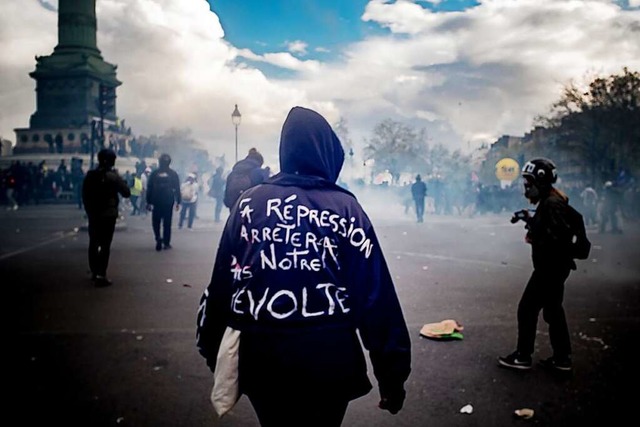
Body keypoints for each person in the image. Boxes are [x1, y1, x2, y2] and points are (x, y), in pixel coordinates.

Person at [196, 106, 411, 427]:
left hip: (261, 355)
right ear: (328, 155)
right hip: (329, 358)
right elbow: (375, 296)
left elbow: (222, 283)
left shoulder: (248, 204)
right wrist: (392, 375)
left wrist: (213, 347)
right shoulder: (346, 207)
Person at [498, 158, 577, 373]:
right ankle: (562, 359)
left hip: (549, 268)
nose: (526, 186)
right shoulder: (550, 201)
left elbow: (558, 237)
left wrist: (535, 234)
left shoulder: (552, 204)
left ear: (540, 181)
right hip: (555, 267)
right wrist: (530, 219)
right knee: (553, 311)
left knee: (527, 309)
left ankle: (523, 356)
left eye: (528, 181)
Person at [82, 149, 131, 287]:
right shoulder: (113, 176)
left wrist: (89, 210)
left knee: (93, 243)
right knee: (105, 244)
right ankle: (101, 274)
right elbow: (126, 192)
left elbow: (85, 194)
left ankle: (94, 271)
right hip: (108, 214)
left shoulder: (91, 175)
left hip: (94, 213)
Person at [146, 153, 181, 251]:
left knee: (156, 222)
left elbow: (149, 188)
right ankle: (166, 243)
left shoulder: (154, 173)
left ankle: (158, 237)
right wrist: (178, 201)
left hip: (156, 201)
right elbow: (177, 188)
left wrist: (148, 201)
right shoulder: (173, 174)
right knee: (167, 223)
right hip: (168, 201)